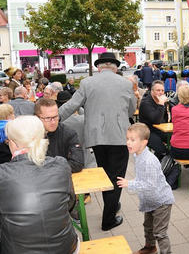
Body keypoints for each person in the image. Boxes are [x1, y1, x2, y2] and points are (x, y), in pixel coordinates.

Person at [59, 52, 136, 231]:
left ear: (99, 67)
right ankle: (108, 220)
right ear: (115, 67)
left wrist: (53, 118)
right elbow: (132, 110)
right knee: (116, 178)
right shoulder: (126, 83)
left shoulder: (87, 82)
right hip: (119, 136)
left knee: (105, 175)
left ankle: (112, 205)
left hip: (96, 137)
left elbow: (72, 105)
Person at [0, 115, 79, 254]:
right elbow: (69, 203)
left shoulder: (2, 173)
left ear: (12, 143)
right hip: (66, 248)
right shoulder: (61, 165)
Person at [117, 123, 174, 254]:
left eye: (132, 140)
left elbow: (150, 185)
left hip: (161, 202)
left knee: (160, 232)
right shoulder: (138, 155)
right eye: (127, 139)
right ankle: (150, 247)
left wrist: (130, 184)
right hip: (150, 200)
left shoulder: (149, 161)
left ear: (144, 143)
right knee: (148, 227)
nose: (128, 143)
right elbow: (143, 179)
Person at [35, 98, 84, 173]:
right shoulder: (29, 134)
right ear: (37, 118)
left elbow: (77, 163)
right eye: (48, 118)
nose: (53, 122)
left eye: (55, 117)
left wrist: (48, 169)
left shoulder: (68, 133)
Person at [139, 80, 170, 159]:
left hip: (161, 130)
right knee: (162, 150)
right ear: (152, 91)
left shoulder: (162, 101)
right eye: (158, 90)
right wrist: (161, 104)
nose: (161, 92)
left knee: (176, 142)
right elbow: (156, 120)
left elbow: (166, 119)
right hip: (148, 131)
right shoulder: (146, 102)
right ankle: (158, 166)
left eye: (162, 90)